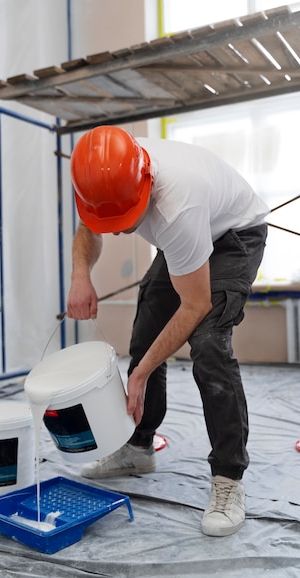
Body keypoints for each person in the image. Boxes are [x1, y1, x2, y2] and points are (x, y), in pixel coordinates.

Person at [66, 125, 269, 537]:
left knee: (209, 342)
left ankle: (229, 478)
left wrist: (139, 375)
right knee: (144, 335)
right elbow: (91, 226)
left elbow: (195, 305)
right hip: (188, 232)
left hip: (233, 235)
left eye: (125, 218)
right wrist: (80, 274)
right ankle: (139, 448)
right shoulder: (102, 175)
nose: (120, 230)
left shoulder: (177, 205)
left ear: (144, 185)